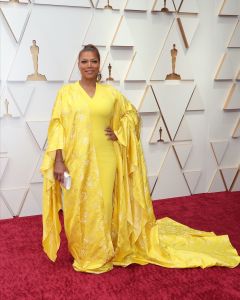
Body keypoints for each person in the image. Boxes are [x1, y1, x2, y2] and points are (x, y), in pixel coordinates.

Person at [41, 44, 240, 274]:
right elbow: (57, 127)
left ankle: (99, 253)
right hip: (75, 160)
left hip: (106, 159)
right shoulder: (66, 93)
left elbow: (131, 114)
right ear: (78, 64)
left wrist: (120, 132)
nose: (89, 65)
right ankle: (82, 251)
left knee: (104, 206)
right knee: (76, 206)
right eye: (84, 61)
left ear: (99, 65)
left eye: (93, 61)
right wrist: (58, 160)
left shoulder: (111, 94)